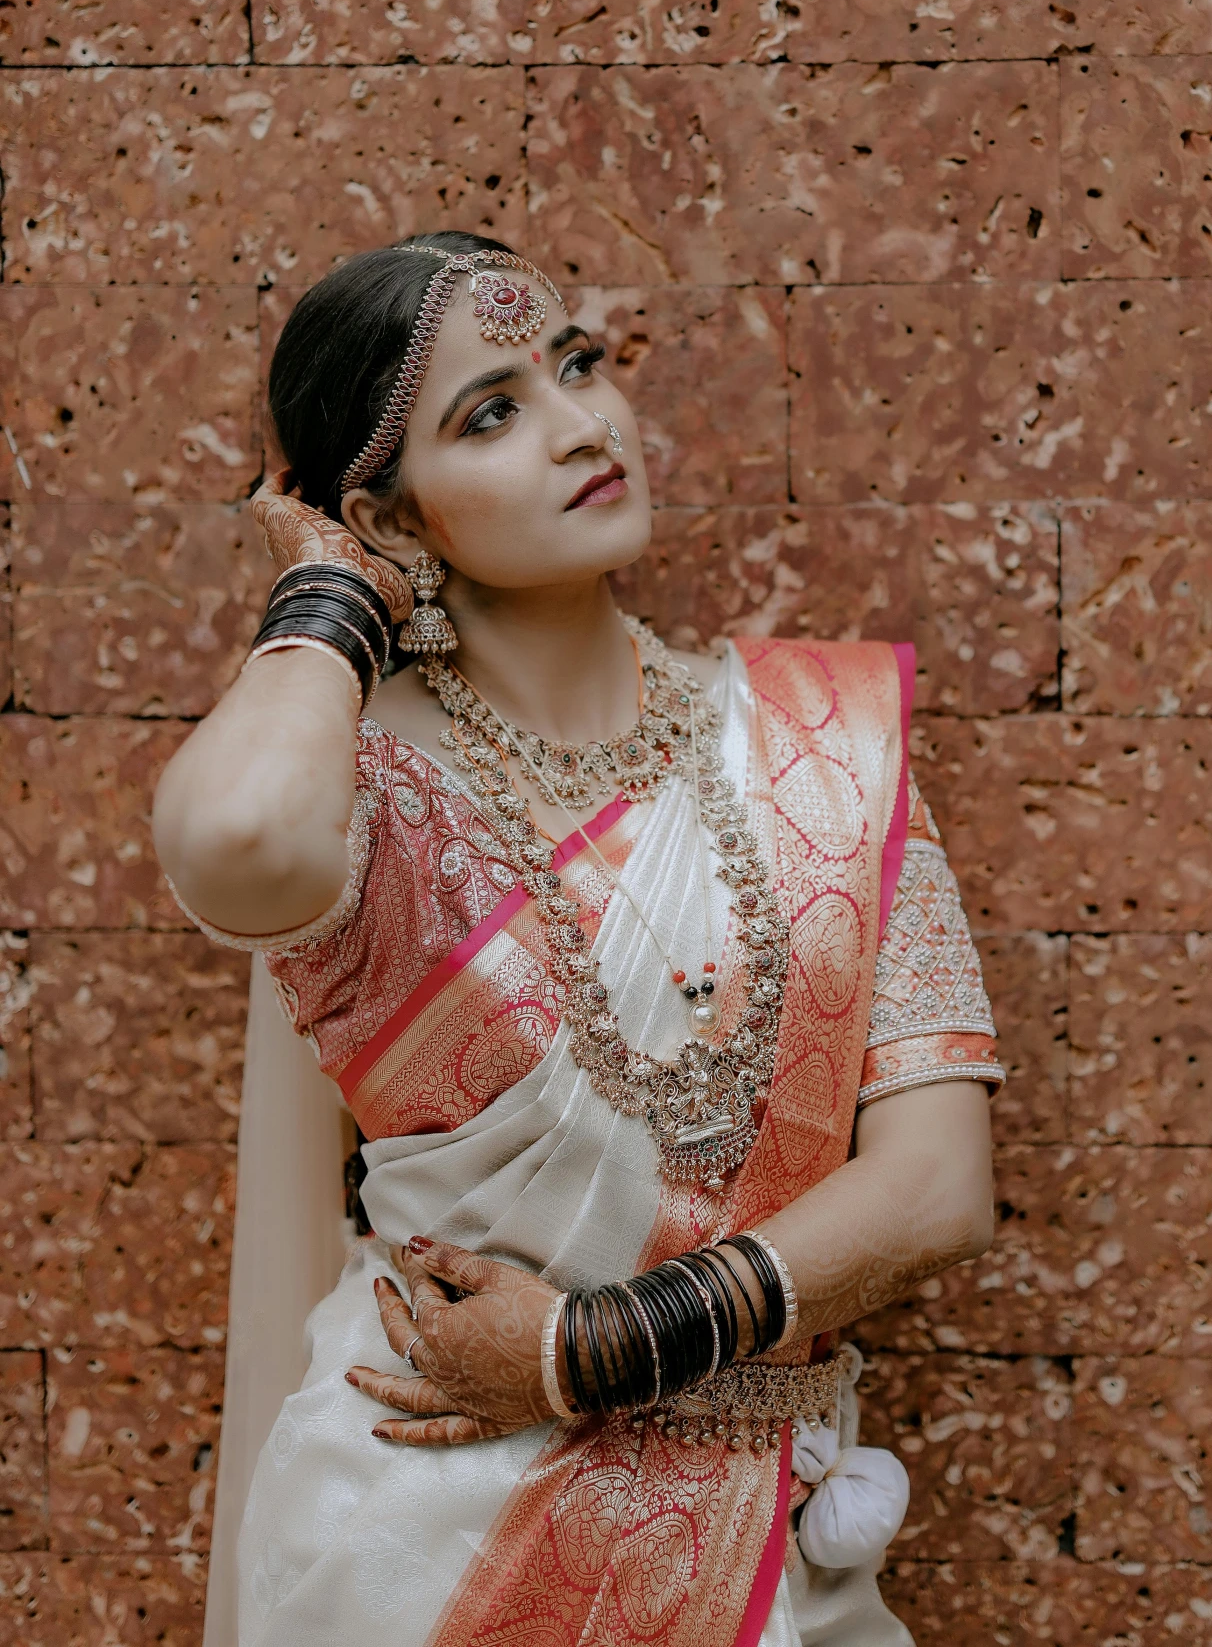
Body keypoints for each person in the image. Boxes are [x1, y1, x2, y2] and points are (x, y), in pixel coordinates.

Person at [153, 230, 1005, 1647]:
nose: (577, 426)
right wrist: (326, 600)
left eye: (576, 365)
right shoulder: (361, 788)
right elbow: (235, 833)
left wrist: (588, 1346)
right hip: (429, 1537)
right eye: (489, 413)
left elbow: (938, 1182)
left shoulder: (821, 752)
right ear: (396, 519)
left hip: (764, 1531)